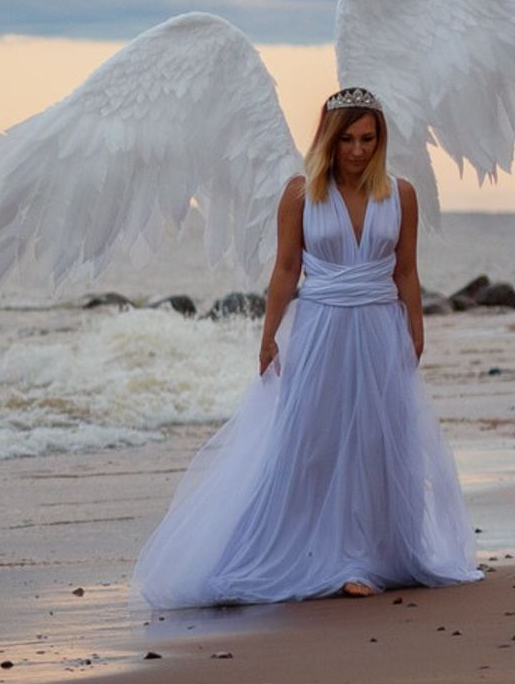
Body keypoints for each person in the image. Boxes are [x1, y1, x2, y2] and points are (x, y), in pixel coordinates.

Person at [132, 88, 481, 608]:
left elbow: (406, 269)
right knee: (314, 440)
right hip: (320, 328)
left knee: (376, 442)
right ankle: (322, 554)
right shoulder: (301, 193)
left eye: (368, 139)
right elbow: (286, 268)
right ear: (328, 139)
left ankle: (368, 555)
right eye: (347, 139)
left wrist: (416, 326)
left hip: (380, 328)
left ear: (380, 140)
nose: (358, 150)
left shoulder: (401, 194)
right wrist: (269, 336)